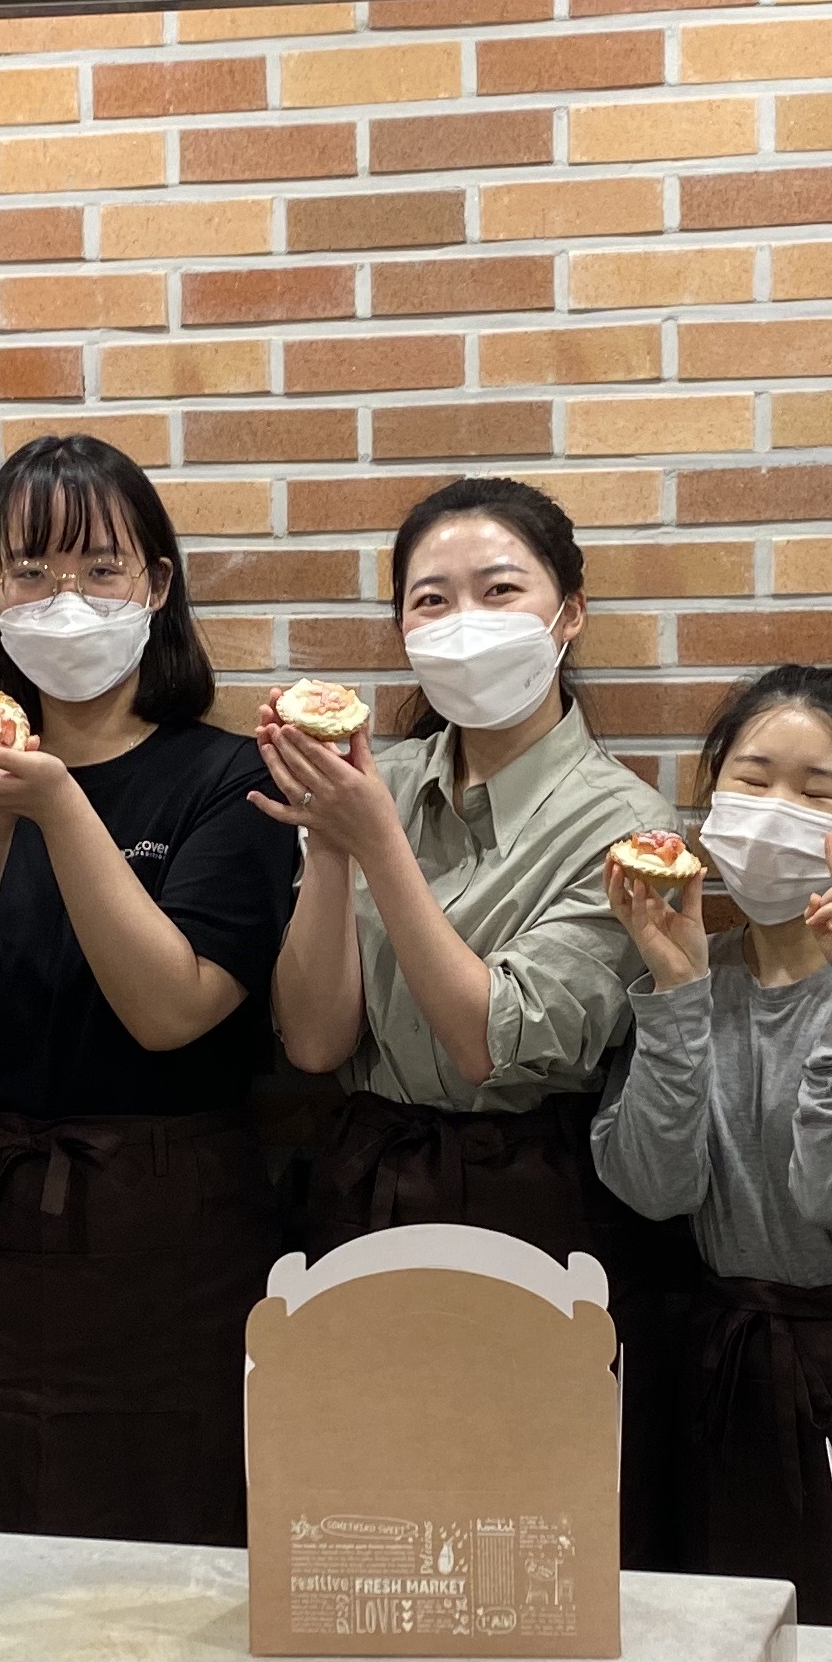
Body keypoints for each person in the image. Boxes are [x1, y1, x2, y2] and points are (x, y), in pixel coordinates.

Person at [0, 433, 301, 1545]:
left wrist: (57, 807)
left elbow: (173, 1010)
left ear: (156, 585)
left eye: (101, 570)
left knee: (166, 1561)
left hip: (170, 1234)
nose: (67, 601)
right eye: (32, 572)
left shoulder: (226, 778)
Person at [593, 665, 832, 1623]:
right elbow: (652, 1187)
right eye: (752, 780)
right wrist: (677, 995)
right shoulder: (694, 970)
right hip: (723, 1367)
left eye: (816, 791)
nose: (775, 811)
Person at [259, 473, 667, 1258]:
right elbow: (313, 1044)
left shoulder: (629, 828)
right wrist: (334, 841)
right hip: (365, 1182)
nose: (465, 623)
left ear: (569, 613)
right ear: (403, 630)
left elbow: (487, 1048)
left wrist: (376, 842)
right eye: (432, 601)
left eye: (500, 591)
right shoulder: (375, 783)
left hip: (535, 1195)